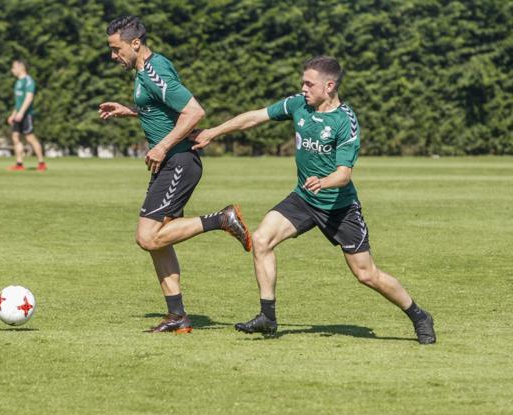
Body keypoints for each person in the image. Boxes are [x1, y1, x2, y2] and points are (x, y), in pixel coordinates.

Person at [191, 56, 436, 344]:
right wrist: (214, 132)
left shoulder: (346, 121)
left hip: (339, 207)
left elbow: (344, 175)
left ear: (329, 86)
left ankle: (419, 315)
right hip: (304, 198)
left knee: (366, 274)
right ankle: (267, 317)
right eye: (303, 82)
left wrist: (325, 181)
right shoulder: (298, 104)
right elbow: (255, 117)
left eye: (309, 83)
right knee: (261, 239)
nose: (303, 88)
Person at [99, 16, 252, 333]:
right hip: (170, 162)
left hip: (178, 162)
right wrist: (130, 111)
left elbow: (194, 111)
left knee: (147, 237)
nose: (114, 56)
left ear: (135, 43)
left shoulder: (154, 71)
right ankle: (177, 316)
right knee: (157, 241)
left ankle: (222, 219)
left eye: (117, 49)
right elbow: (164, 107)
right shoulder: (145, 72)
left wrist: (163, 146)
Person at [7, 59, 46, 171]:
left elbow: (29, 98)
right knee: (15, 136)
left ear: (21, 68)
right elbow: (18, 102)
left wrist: (21, 113)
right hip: (18, 113)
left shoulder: (28, 81)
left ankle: (41, 163)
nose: (12, 70)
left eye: (14, 67)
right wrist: (13, 114)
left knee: (30, 137)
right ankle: (19, 164)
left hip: (26, 114)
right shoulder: (18, 82)